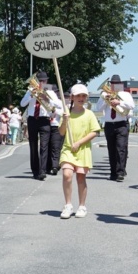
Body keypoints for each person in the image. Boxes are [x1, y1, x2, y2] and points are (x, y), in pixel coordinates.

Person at [58, 84, 102, 219]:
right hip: (68, 149)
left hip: (82, 149)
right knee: (67, 174)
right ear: (72, 97)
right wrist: (65, 121)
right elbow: (61, 132)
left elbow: (95, 132)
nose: (81, 98)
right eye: (78, 95)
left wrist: (79, 143)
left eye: (83, 96)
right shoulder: (66, 112)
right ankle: (68, 205)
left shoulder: (89, 114)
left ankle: (82, 206)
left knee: (81, 177)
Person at [21, 71, 62, 180]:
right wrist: (30, 95)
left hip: (45, 120)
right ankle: (35, 170)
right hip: (32, 120)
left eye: (44, 81)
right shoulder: (30, 91)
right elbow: (22, 104)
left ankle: (42, 171)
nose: (42, 82)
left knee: (44, 146)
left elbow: (59, 104)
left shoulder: (50, 92)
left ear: (46, 81)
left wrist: (48, 99)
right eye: (40, 81)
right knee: (33, 145)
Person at [95, 74, 136, 182]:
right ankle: (113, 173)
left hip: (121, 124)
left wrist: (119, 102)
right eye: (112, 83)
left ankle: (120, 172)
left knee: (120, 149)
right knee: (111, 150)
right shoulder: (104, 94)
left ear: (120, 84)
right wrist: (105, 99)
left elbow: (132, 105)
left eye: (116, 83)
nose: (114, 85)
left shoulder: (125, 94)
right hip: (109, 124)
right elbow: (98, 108)